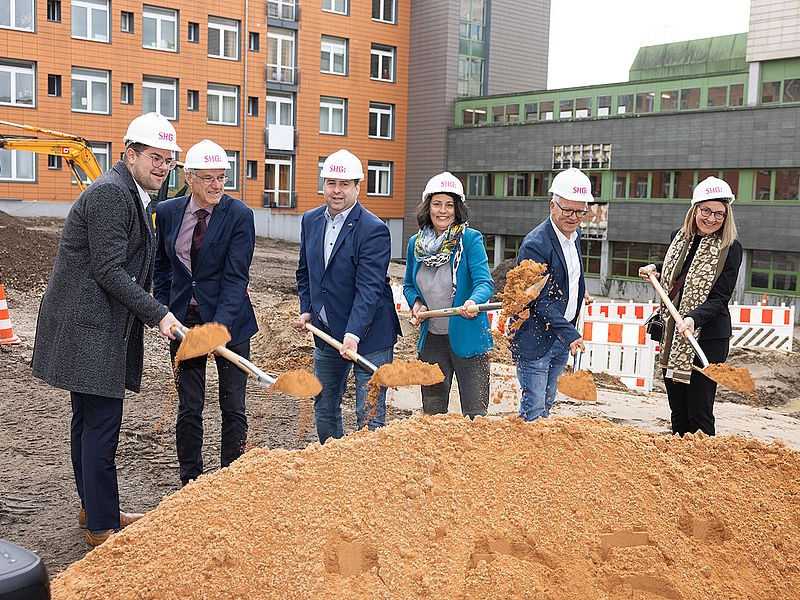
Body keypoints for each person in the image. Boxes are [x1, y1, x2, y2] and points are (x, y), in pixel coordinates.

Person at [32, 112, 184, 546]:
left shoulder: (129, 192)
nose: (162, 167)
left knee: (86, 423)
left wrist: (149, 310)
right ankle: (103, 528)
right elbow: (110, 270)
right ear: (129, 154)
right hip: (90, 329)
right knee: (100, 427)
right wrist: (157, 314)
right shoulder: (112, 194)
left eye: (168, 161)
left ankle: (94, 508)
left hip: (95, 325)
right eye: (155, 157)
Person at [154, 139, 257, 485]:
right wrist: (165, 309)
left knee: (232, 405)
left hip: (231, 322)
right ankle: (192, 483)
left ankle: (230, 481)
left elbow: (235, 278)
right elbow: (162, 266)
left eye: (222, 178)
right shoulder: (167, 213)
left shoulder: (240, 216)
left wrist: (220, 329)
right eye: (209, 178)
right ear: (189, 177)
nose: (217, 186)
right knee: (189, 405)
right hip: (186, 323)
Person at [294, 149, 402, 443]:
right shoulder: (310, 220)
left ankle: (368, 475)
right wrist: (307, 308)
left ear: (357, 186)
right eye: (331, 183)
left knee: (368, 414)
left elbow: (369, 288)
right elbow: (305, 272)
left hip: (369, 336)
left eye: (344, 184)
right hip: (327, 334)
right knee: (325, 406)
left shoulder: (374, 230)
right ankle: (335, 466)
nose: (337, 190)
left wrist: (353, 333)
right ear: (323, 184)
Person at [639, 176, 742, 437]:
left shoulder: (730, 248)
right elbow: (681, 273)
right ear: (694, 208)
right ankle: (681, 464)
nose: (711, 218)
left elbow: (720, 298)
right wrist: (656, 268)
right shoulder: (678, 237)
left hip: (707, 338)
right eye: (706, 210)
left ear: (726, 215)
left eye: (719, 213)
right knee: (678, 409)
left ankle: (704, 465)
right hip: (675, 334)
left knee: (699, 410)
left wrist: (694, 319)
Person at [403, 172, 494, 418]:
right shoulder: (415, 244)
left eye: (449, 205)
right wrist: (417, 303)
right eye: (437, 204)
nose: (443, 211)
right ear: (428, 207)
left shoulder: (470, 239)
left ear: (457, 209)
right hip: (432, 341)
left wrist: (474, 301)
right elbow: (409, 285)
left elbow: (484, 282)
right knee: (433, 415)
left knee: (476, 416)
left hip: (469, 339)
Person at [511, 167, 594, 422]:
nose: (573, 217)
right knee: (533, 411)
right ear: (552, 206)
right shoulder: (536, 244)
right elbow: (538, 300)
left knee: (546, 407)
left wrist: (580, 293)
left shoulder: (573, 236)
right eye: (566, 209)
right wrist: (571, 334)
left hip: (559, 336)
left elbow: (568, 273)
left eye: (579, 211)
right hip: (536, 340)